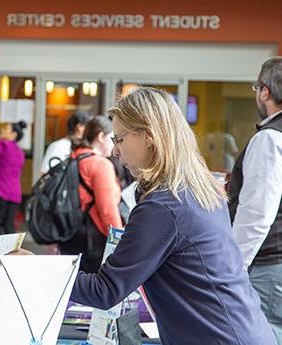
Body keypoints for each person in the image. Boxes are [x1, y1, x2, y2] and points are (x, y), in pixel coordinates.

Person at [70, 87, 276, 345]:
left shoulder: (163, 207)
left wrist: (39, 271)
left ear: (148, 136)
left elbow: (105, 290)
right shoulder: (198, 189)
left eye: (120, 139)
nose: (115, 151)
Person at [229, 56, 282, 343]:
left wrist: (232, 267)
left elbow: (257, 213)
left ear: (265, 92)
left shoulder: (270, 139)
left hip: (268, 267)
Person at [58, 115, 123, 273]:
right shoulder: (100, 164)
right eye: (112, 139)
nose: (115, 146)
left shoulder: (74, 157)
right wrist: (119, 242)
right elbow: (107, 210)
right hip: (93, 239)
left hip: (69, 233)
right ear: (101, 137)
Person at [40, 110, 91, 174]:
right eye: (90, 126)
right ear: (80, 127)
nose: (92, 131)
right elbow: (45, 174)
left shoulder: (88, 148)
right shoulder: (59, 146)